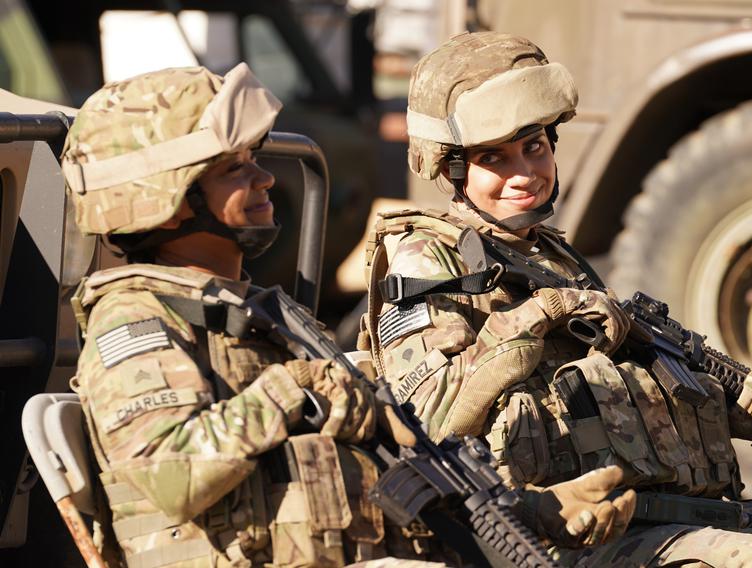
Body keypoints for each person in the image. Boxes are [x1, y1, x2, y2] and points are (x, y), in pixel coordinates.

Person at [361, 31, 752, 567]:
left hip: (664, 515)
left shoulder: (550, 255)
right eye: (494, 159)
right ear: (451, 167)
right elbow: (430, 419)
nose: (524, 174)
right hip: (555, 536)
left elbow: (611, 400)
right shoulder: (427, 262)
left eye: (534, 147)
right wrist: (535, 318)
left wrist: (733, 414)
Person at [63, 63, 634, 567]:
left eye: (253, 160)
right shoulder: (136, 321)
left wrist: (531, 510)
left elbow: (392, 467)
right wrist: (294, 386)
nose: (264, 178)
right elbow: (174, 477)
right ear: (164, 202)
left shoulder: (253, 312)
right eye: (233, 169)